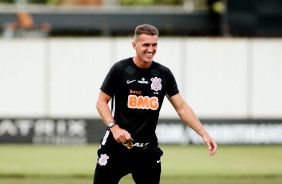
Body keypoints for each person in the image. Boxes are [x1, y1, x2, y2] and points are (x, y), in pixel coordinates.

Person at [93, 24, 217, 184]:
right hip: (115, 148)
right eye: (146, 44)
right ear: (134, 45)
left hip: (147, 151)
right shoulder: (120, 70)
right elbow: (101, 102)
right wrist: (115, 129)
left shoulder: (163, 74)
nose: (150, 49)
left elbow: (182, 107)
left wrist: (204, 134)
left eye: (154, 45)